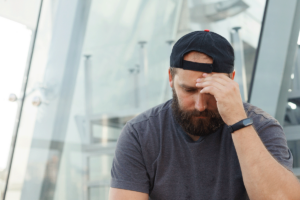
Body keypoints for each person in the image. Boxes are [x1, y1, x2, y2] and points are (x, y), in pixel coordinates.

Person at [109, 30, 300, 200]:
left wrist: (239, 123)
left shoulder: (262, 127)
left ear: (231, 81)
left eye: (211, 92)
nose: (200, 106)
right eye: (188, 90)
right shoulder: (140, 133)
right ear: (170, 78)